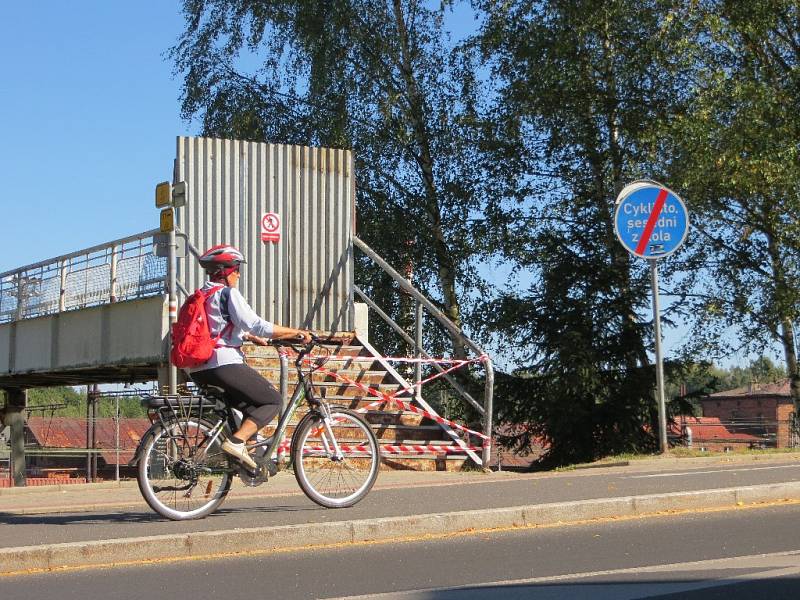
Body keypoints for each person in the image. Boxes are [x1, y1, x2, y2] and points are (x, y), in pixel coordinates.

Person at [185, 244, 311, 469]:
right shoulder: (227, 293)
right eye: (236, 269)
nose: (238, 274)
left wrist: (248, 337)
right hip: (223, 364)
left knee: (252, 408)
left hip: (198, 369)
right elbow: (257, 324)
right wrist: (296, 332)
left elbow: (216, 326)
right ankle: (236, 442)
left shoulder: (202, 294)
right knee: (272, 401)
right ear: (225, 271)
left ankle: (248, 462)